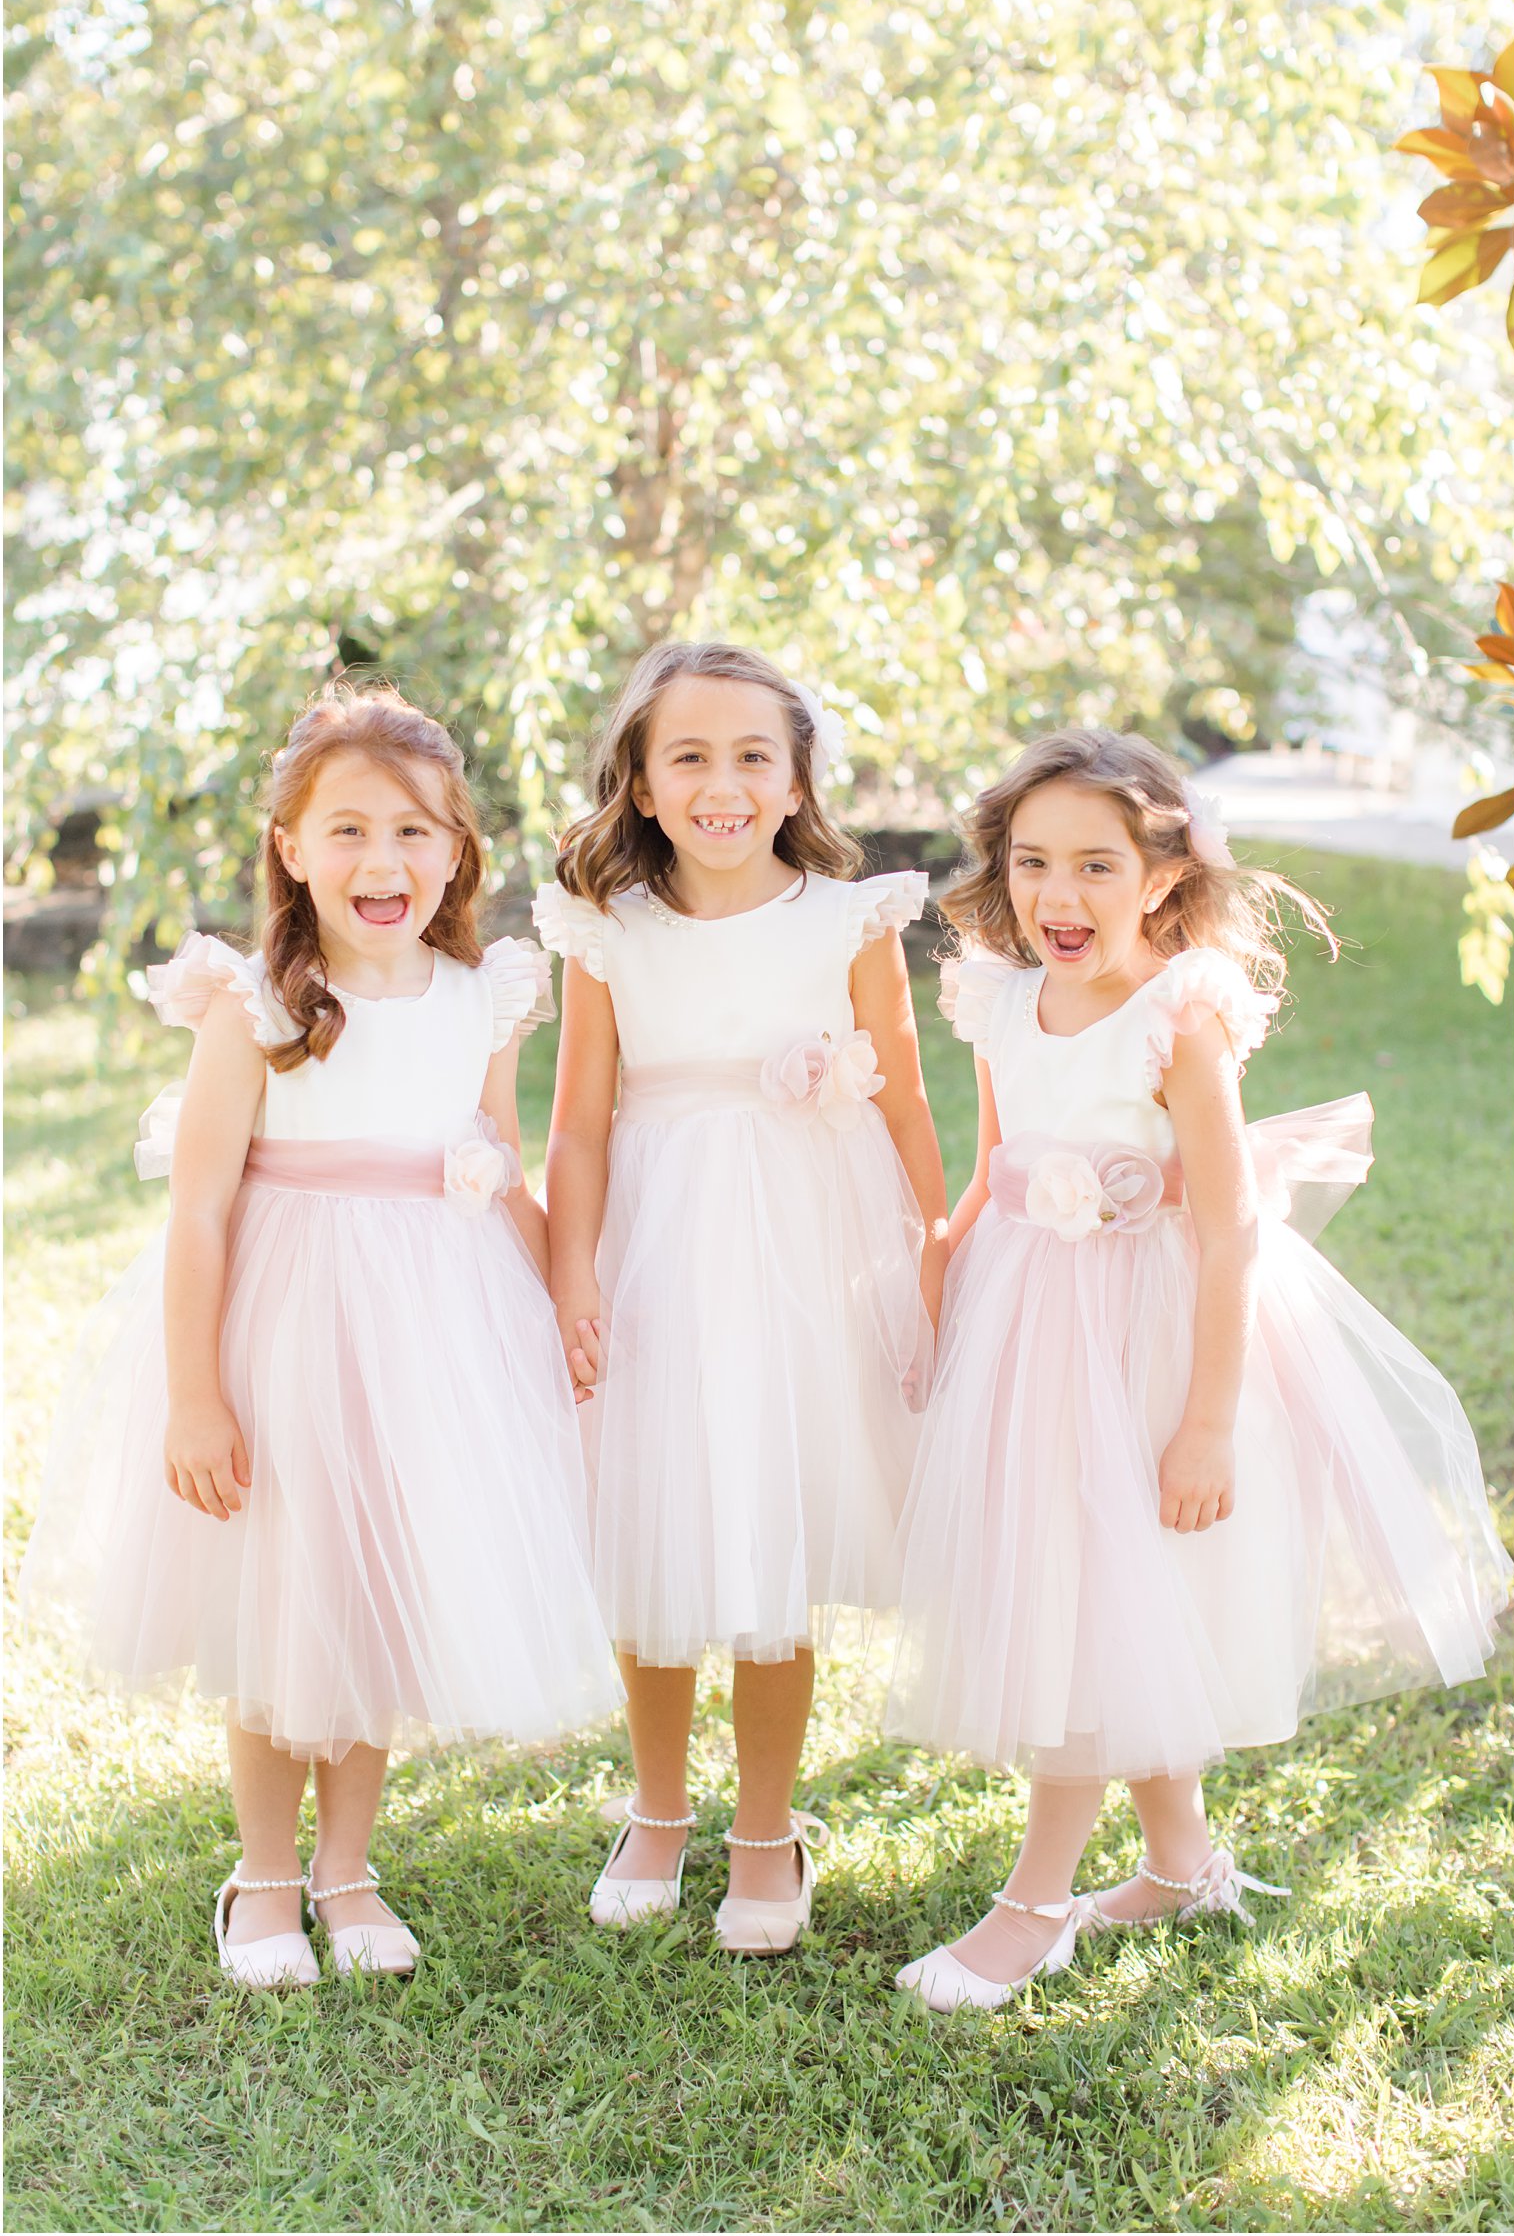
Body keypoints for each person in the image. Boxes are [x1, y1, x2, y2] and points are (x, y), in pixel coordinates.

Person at [888, 727, 1513, 2013]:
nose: (1059, 897)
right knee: (1090, 1580)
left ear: (1162, 878)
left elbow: (1229, 1226)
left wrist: (1206, 1425)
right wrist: (943, 1257)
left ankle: (1034, 1902)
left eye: (1096, 867)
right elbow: (996, 1155)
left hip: (1149, 1328)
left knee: (1087, 1590)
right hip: (1027, 1317)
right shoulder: (998, 997)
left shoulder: (1180, 1017)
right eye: (1033, 864)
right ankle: (1177, 1862)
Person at [20, 685, 618, 1990]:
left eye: (412, 832)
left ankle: (348, 1864)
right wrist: (195, 1397)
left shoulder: (484, 995)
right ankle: (265, 1872)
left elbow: (497, 1158)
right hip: (283, 1324)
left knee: (381, 1586)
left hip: (435, 1327)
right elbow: (197, 1206)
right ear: (289, 847)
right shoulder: (258, 1004)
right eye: (344, 831)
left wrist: (557, 1298)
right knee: (285, 1592)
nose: (380, 861)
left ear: (458, 849)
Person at [535, 641, 947, 1954]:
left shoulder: (845, 918)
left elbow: (906, 1098)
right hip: (658, 1239)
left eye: (751, 755)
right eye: (689, 757)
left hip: (801, 1252)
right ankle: (658, 1807)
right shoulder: (610, 931)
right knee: (653, 1522)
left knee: (777, 1523)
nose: (722, 782)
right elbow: (581, 1124)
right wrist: (574, 1266)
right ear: (643, 786)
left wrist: (929, 1257)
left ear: (794, 779)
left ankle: (765, 1825)